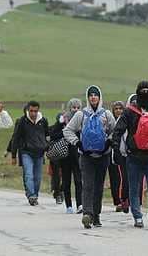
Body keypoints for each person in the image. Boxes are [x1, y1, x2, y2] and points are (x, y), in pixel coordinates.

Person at [112, 81, 148, 229]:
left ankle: (138, 217)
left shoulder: (129, 112)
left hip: (133, 156)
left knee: (134, 189)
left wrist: (116, 150)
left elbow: (118, 131)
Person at [64, 85, 117, 229]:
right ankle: (87, 214)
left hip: (103, 155)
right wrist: (78, 143)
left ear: (100, 97)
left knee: (99, 186)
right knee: (87, 185)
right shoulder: (81, 115)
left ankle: (97, 215)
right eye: (91, 95)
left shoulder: (106, 114)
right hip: (86, 156)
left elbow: (115, 130)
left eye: (96, 95)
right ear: (87, 98)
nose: (93, 97)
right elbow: (67, 130)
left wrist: (109, 143)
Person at [8, 100, 49, 206]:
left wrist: (48, 150)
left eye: (35, 111)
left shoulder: (43, 121)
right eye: (31, 111)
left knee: (38, 177)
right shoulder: (22, 121)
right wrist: (13, 155)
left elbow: (47, 136)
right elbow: (15, 138)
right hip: (26, 152)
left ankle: (35, 195)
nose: (33, 113)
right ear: (28, 110)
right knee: (29, 175)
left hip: (39, 153)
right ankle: (31, 195)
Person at [54, 98, 84, 214]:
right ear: (69, 108)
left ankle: (80, 204)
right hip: (65, 155)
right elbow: (54, 134)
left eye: (78, 108)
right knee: (66, 181)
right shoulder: (64, 119)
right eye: (73, 107)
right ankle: (69, 205)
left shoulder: (82, 120)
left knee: (78, 180)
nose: (75, 110)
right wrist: (61, 125)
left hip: (78, 155)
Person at [108, 100, 130, 213]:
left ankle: (124, 200)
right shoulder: (111, 121)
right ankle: (117, 201)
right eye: (116, 109)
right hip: (111, 154)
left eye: (120, 108)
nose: (118, 111)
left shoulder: (126, 121)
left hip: (123, 153)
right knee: (114, 179)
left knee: (124, 178)